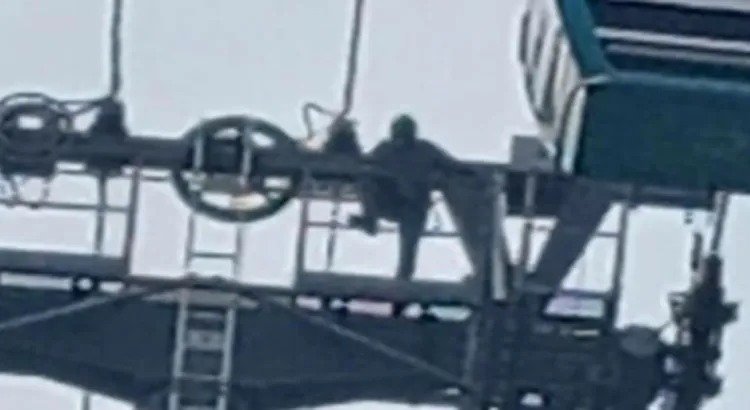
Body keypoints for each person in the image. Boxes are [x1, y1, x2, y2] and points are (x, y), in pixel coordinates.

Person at [349, 114, 472, 281]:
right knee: (366, 180)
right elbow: (364, 167)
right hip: (390, 202)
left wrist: (473, 173)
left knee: (409, 242)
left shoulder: (424, 150)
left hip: (413, 207)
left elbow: (452, 166)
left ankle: (404, 276)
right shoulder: (387, 149)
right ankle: (369, 220)